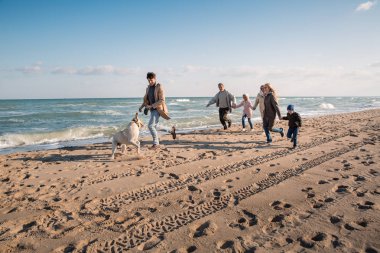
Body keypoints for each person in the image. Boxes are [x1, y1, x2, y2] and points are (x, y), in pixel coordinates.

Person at [139, 72, 170, 149]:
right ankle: (171, 130)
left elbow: (162, 100)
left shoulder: (159, 87)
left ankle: (156, 144)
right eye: (148, 80)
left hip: (158, 109)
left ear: (155, 79)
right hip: (152, 110)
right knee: (155, 126)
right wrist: (142, 107)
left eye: (151, 80)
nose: (150, 82)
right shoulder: (148, 88)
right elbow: (146, 100)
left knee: (150, 126)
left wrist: (151, 106)